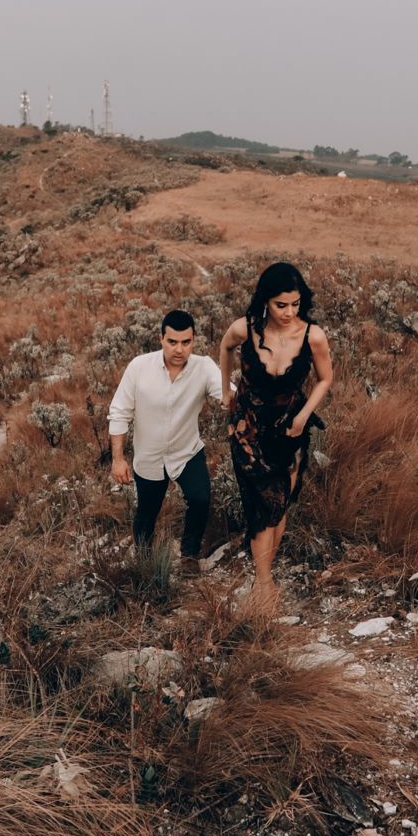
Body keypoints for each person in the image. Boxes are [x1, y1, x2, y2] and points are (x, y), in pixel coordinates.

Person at [219, 262, 334, 611]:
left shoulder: (313, 335)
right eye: (280, 305)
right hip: (247, 428)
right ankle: (264, 582)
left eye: (295, 304)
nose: (289, 312)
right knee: (259, 502)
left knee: (279, 501)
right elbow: (224, 348)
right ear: (265, 301)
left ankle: (264, 570)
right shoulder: (245, 329)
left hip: (289, 428)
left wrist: (302, 417)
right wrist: (226, 390)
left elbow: (325, 379)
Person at [109, 309, 226, 568]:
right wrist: (118, 459)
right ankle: (144, 560)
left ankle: (189, 555)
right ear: (161, 338)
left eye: (186, 342)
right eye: (172, 342)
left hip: (187, 451)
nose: (179, 349)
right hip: (149, 457)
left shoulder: (203, 367)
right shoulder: (139, 367)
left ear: (194, 340)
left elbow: (226, 395)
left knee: (200, 499)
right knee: (147, 514)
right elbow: (119, 412)